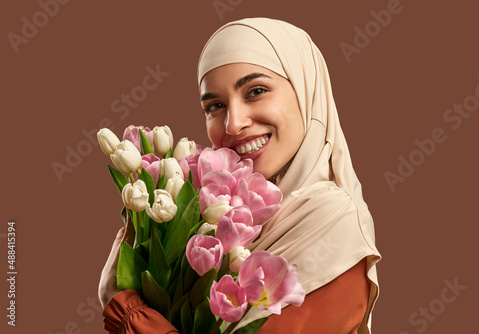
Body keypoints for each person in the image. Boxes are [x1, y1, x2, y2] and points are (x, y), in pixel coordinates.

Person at [99, 17, 381, 333]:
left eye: (256, 91)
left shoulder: (333, 225)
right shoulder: (218, 221)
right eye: (215, 105)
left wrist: (129, 311)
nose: (233, 124)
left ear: (306, 91)